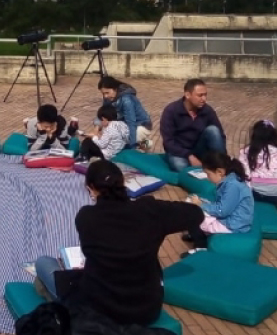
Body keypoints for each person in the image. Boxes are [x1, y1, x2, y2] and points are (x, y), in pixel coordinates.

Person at [34, 160, 203, 326]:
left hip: (99, 309)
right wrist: (193, 204)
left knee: (43, 263)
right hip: (146, 309)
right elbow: (196, 214)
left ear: (91, 189)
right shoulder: (151, 210)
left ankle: (60, 304)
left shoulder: (86, 217)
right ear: (123, 183)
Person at [181, 152, 254, 258]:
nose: (207, 177)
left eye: (208, 174)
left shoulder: (232, 186)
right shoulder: (230, 181)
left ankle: (201, 247)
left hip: (233, 225)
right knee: (194, 207)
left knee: (194, 214)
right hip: (230, 219)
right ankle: (197, 234)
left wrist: (201, 205)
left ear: (220, 172)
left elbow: (222, 210)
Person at [160, 78, 226, 172]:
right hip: (179, 152)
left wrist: (222, 157)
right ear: (187, 95)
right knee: (180, 165)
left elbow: (221, 136)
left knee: (213, 130)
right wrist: (189, 156)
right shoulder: (171, 111)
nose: (204, 99)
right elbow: (168, 142)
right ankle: (200, 172)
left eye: (205, 95)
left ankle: (222, 167)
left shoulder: (208, 111)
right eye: (200, 95)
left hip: (199, 149)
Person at [97, 76, 152, 150]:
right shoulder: (107, 98)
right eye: (103, 93)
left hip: (140, 125)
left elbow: (131, 123)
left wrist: (132, 148)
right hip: (122, 124)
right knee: (103, 128)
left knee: (126, 146)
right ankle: (141, 144)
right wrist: (97, 128)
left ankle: (144, 144)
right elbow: (103, 115)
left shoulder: (126, 99)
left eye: (107, 92)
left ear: (115, 89)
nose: (105, 96)